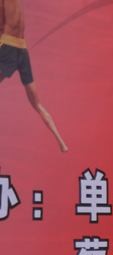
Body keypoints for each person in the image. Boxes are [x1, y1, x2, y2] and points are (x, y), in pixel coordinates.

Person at [0, 0, 68, 152]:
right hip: (22, 50)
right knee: (37, 103)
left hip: (8, 47)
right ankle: (61, 142)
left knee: (36, 103)